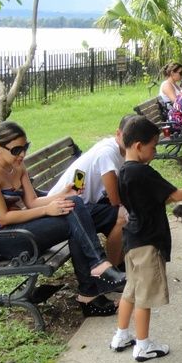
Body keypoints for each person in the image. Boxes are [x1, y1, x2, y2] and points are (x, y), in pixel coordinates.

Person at [0, 122, 126, 318]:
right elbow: (2, 217)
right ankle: (94, 280)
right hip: (1, 238)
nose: (22, 154)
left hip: (20, 228)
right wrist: (48, 210)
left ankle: (93, 286)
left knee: (74, 204)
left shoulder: (17, 165)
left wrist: (62, 194)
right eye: (16, 149)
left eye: (25, 147)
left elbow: (32, 201)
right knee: (74, 217)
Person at [109, 115, 182, 360]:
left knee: (131, 289)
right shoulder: (143, 173)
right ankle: (143, 345)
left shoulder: (124, 171)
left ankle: (121, 335)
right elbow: (175, 194)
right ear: (139, 146)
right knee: (144, 297)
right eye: (153, 147)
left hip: (132, 241)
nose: (154, 152)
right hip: (147, 242)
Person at [47, 114, 135, 266]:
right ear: (118, 133)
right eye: (128, 137)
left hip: (78, 205)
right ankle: (114, 269)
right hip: (66, 210)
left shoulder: (116, 149)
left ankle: (121, 263)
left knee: (125, 212)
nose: (130, 143)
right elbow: (115, 199)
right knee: (123, 215)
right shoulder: (107, 153)